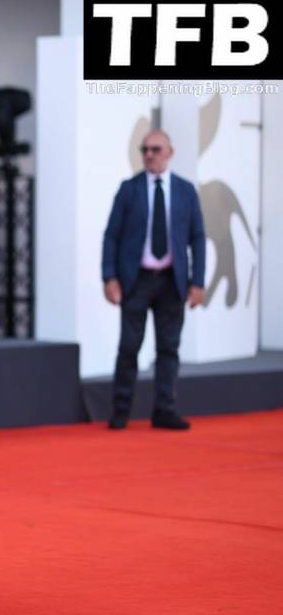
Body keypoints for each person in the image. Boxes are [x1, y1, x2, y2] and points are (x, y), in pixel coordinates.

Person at [102, 129, 206, 431]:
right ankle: (120, 411)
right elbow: (112, 236)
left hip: (172, 281)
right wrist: (109, 277)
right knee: (129, 347)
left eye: (155, 149)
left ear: (170, 152)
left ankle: (165, 410)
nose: (149, 154)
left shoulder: (186, 191)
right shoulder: (129, 189)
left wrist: (197, 282)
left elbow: (197, 238)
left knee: (169, 348)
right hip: (136, 280)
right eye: (144, 149)